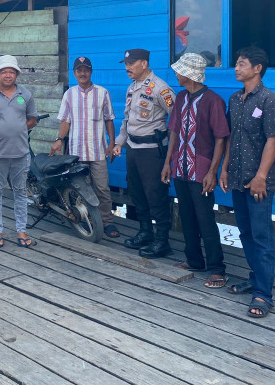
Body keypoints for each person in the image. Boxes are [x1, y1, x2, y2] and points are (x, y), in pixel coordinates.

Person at [220, 46, 275, 319]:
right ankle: (255, 279)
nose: (236, 67)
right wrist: (223, 169)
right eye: (236, 63)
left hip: (259, 182)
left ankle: (264, 294)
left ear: (257, 68)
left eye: (242, 64)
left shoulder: (269, 100)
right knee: (245, 232)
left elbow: (274, 139)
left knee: (262, 235)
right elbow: (231, 137)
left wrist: (261, 177)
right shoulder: (235, 100)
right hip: (236, 177)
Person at [161, 53, 229, 288]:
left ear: (189, 74)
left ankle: (217, 268)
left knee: (205, 219)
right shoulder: (180, 98)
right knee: (187, 217)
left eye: (179, 71)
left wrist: (213, 171)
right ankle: (194, 260)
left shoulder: (213, 101)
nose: (176, 75)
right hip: (180, 168)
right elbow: (174, 132)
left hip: (201, 171)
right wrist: (167, 163)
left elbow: (221, 139)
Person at [112, 48, 175, 258]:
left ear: (144, 64)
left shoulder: (160, 89)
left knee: (155, 195)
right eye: (126, 64)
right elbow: (127, 120)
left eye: (132, 63)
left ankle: (162, 240)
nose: (127, 67)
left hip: (152, 151)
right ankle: (146, 232)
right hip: (133, 149)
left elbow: (176, 120)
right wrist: (119, 142)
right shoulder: (132, 87)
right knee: (137, 192)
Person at [50, 56, 118, 237]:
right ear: (74, 73)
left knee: (102, 188)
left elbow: (109, 120)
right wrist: (58, 139)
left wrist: (112, 143)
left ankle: (107, 222)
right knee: (80, 188)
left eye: (86, 69)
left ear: (91, 72)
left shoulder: (103, 92)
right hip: (76, 153)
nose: (83, 73)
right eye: (79, 70)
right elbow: (65, 121)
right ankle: (87, 221)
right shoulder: (69, 94)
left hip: (98, 151)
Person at [0, 54, 38, 248]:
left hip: (21, 154)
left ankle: (21, 230)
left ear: (16, 74)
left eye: (11, 71)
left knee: (21, 192)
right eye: (4, 71)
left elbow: (32, 120)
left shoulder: (26, 95)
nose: (7, 75)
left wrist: (18, 129)